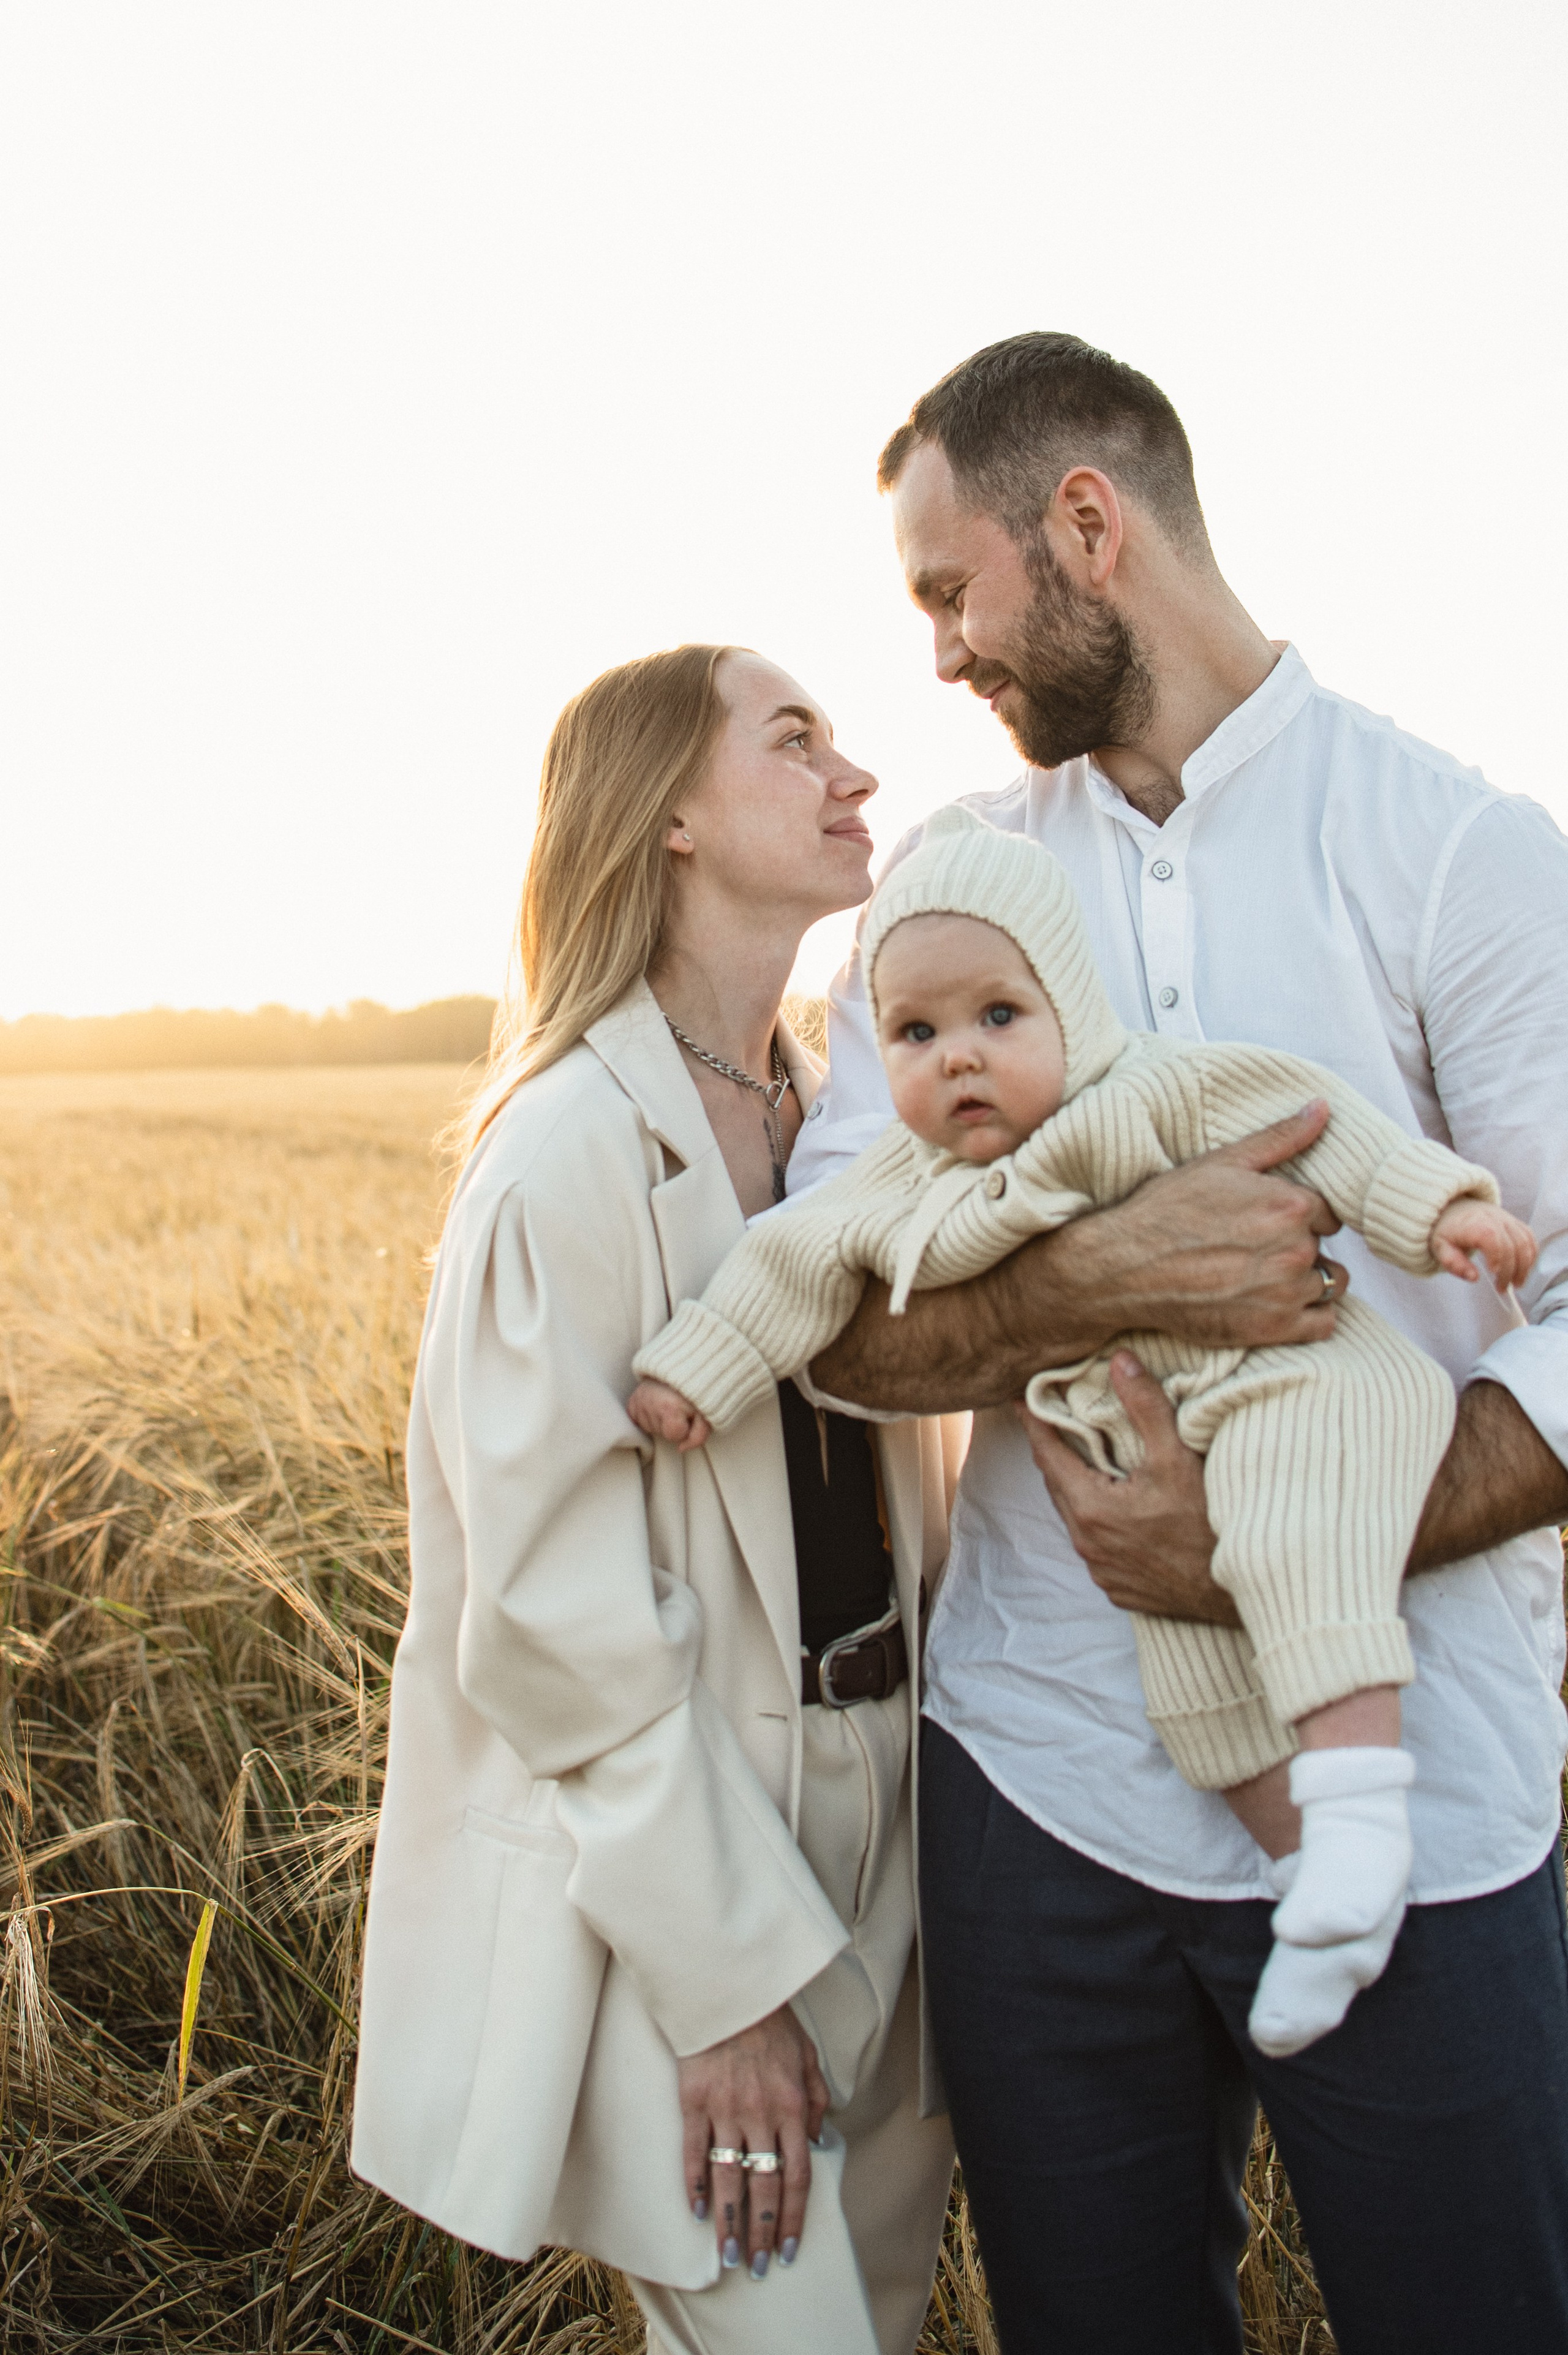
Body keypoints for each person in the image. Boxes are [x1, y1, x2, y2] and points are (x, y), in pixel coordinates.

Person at [788, 334, 1568, 2354]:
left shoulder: (1459, 853)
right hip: (1033, 1792)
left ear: (1084, 526)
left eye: (948, 590)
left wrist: (1280, 1551)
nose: (942, 650)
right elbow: (838, 1320)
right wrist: (1102, 1274)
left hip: (1423, 1785)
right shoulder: (959, 889)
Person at [628, 800, 1536, 2059]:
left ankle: (1361, 1804)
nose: (958, 1058)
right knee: (1195, 1682)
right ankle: (1320, 1896)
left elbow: (1331, 1132)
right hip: (1129, 1481)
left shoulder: (1154, 1088)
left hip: (1299, 1388)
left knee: (1291, 1522)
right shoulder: (906, 1174)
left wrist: (1438, 1212)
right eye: (914, 1032)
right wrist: (699, 1368)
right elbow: (791, 1265)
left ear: (1067, 1006)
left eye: (998, 1018)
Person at [351, 644, 957, 2355]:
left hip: (900, 1799)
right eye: (796, 740)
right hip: (695, 1848)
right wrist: (721, 1985)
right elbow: (548, 1619)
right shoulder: (561, 1151)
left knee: (883, 2316)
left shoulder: (853, 1098)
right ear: (672, 816)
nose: (855, 775)